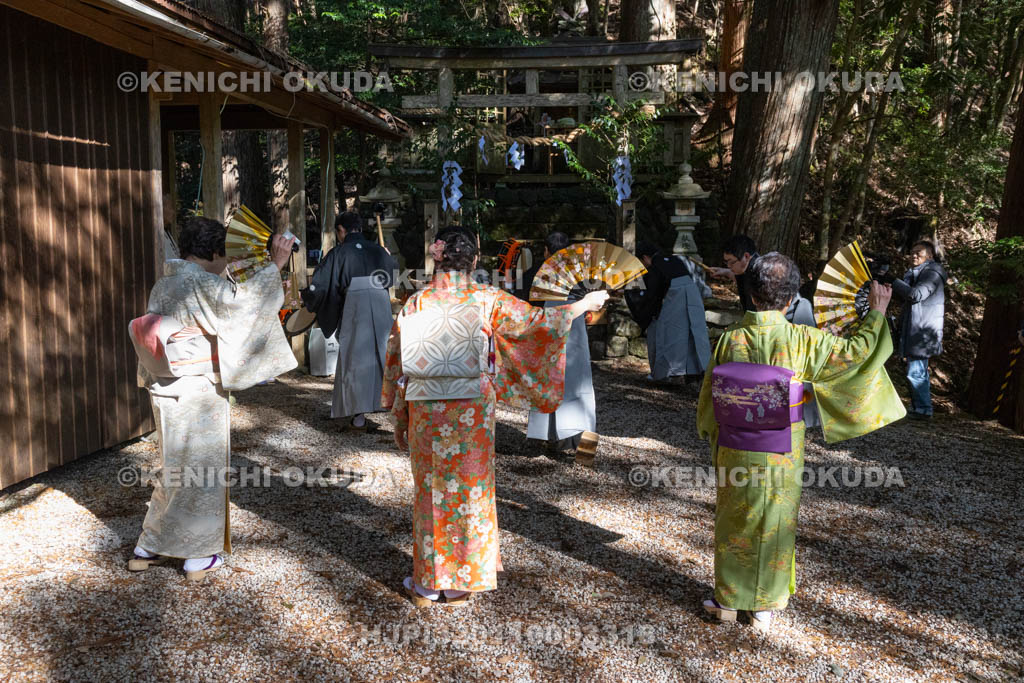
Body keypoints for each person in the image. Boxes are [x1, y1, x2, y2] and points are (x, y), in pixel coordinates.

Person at [382, 226, 608, 606]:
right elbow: (538, 325)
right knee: (470, 489)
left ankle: (425, 584)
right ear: (473, 260)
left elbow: (397, 362)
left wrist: (399, 416)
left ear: (438, 258)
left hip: (427, 407)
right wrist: (582, 306)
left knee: (430, 491)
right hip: (470, 406)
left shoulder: (416, 302)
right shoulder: (487, 298)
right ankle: (458, 583)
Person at [696, 252, 905, 631]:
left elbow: (711, 396)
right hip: (781, 448)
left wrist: (712, 435)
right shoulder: (803, 340)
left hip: (735, 445)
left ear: (752, 294)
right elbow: (857, 355)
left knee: (733, 518)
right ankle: (763, 607)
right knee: (774, 519)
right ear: (792, 299)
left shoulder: (730, 339)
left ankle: (726, 599)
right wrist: (876, 312)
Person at [128, 217, 297, 581]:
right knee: (202, 470)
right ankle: (197, 555)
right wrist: (275, 268)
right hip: (197, 388)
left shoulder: (166, 282)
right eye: (225, 254)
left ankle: (150, 544)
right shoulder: (200, 282)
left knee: (175, 466)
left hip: (165, 387)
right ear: (215, 251)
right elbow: (246, 309)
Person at [302, 211, 396, 430]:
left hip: (356, 304)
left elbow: (323, 284)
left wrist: (308, 296)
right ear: (360, 229)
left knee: (356, 358)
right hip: (381, 302)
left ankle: (359, 414)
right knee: (385, 353)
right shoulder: (378, 251)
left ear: (341, 231)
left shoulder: (339, 252)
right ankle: (394, 407)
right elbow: (390, 274)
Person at [516, 232, 599, 459]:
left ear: (545, 251)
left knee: (545, 381)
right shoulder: (581, 275)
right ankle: (581, 444)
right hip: (576, 333)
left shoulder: (537, 273)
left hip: (546, 330)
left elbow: (524, 303)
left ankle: (540, 438)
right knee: (578, 383)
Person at [626, 241, 712, 382]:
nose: (643, 266)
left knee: (667, 334)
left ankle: (666, 374)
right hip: (693, 296)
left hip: (676, 297)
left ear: (645, 257)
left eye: (641, 262)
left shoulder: (655, 268)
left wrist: (644, 313)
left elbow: (653, 296)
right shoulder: (676, 260)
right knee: (695, 333)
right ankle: (700, 371)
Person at [892, 240, 947, 420]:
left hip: (923, 331)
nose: (914, 255)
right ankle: (920, 408)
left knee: (916, 371)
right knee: (917, 370)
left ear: (929, 256)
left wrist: (893, 281)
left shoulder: (932, 273)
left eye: (919, 253)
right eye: (912, 252)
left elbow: (916, 295)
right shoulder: (917, 273)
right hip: (917, 328)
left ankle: (923, 410)